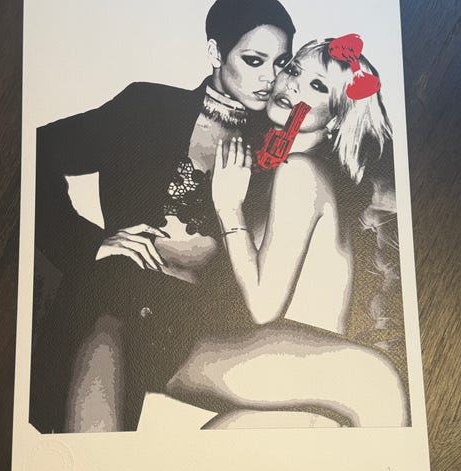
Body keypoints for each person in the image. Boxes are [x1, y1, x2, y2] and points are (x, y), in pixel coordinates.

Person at [29, 0, 296, 433]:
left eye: (281, 63)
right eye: (254, 60)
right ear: (215, 53)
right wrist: (87, 243)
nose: (270, 77)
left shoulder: (276, 145)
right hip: (114, 297)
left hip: (194, 327)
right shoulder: (148, 108)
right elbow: (35, 151)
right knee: (96, 443)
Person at [163, 38, 408, 429]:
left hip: (297, 373)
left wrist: (229, 208)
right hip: (289, 384)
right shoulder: (276, 172)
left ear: (334, 119)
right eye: (293, 70)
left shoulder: (300, 173)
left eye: (317, 85)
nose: (293, 85)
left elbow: (263, 307)